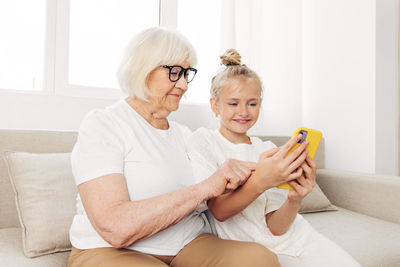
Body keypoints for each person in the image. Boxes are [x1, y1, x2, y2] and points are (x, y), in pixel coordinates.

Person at [67, 27, 294, 267]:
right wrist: (206, 188)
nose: (184, 85)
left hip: (189, 244)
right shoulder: (104, 124)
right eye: (175, 73)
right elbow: (115, 228)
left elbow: (220, 201)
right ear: (143, 69)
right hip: (111, 250)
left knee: (260, 260)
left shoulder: (186, 136)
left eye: (187, 74)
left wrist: (266, 175)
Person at [188, 49, 362, 267]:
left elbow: (276, 228)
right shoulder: (203, 141)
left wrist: (295, 198)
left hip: (297, 237)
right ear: (215, 105)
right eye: (233, 103)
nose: (243, 111)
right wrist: (263, 179)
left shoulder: (268, 149)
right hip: (253, 250)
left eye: (252, 104)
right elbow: (219, 212)